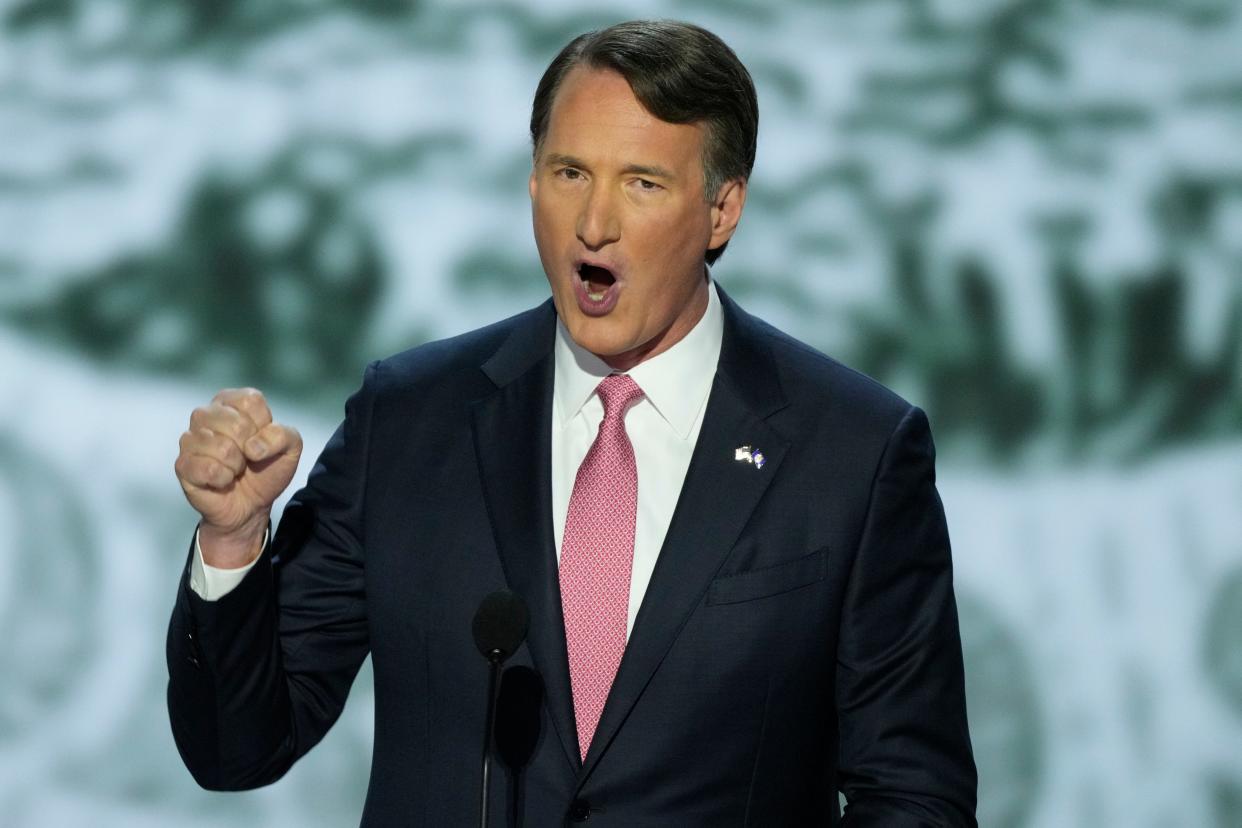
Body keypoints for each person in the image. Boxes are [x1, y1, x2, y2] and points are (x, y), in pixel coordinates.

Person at [167, 19, 977, 827]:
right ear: (531, 182)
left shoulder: (853, 453)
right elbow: (237, 748)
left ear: (722, 209)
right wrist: (235, 545)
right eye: (569, 172)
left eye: (642, 183)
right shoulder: (410, 422)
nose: (594, 223)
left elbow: (914, 796)